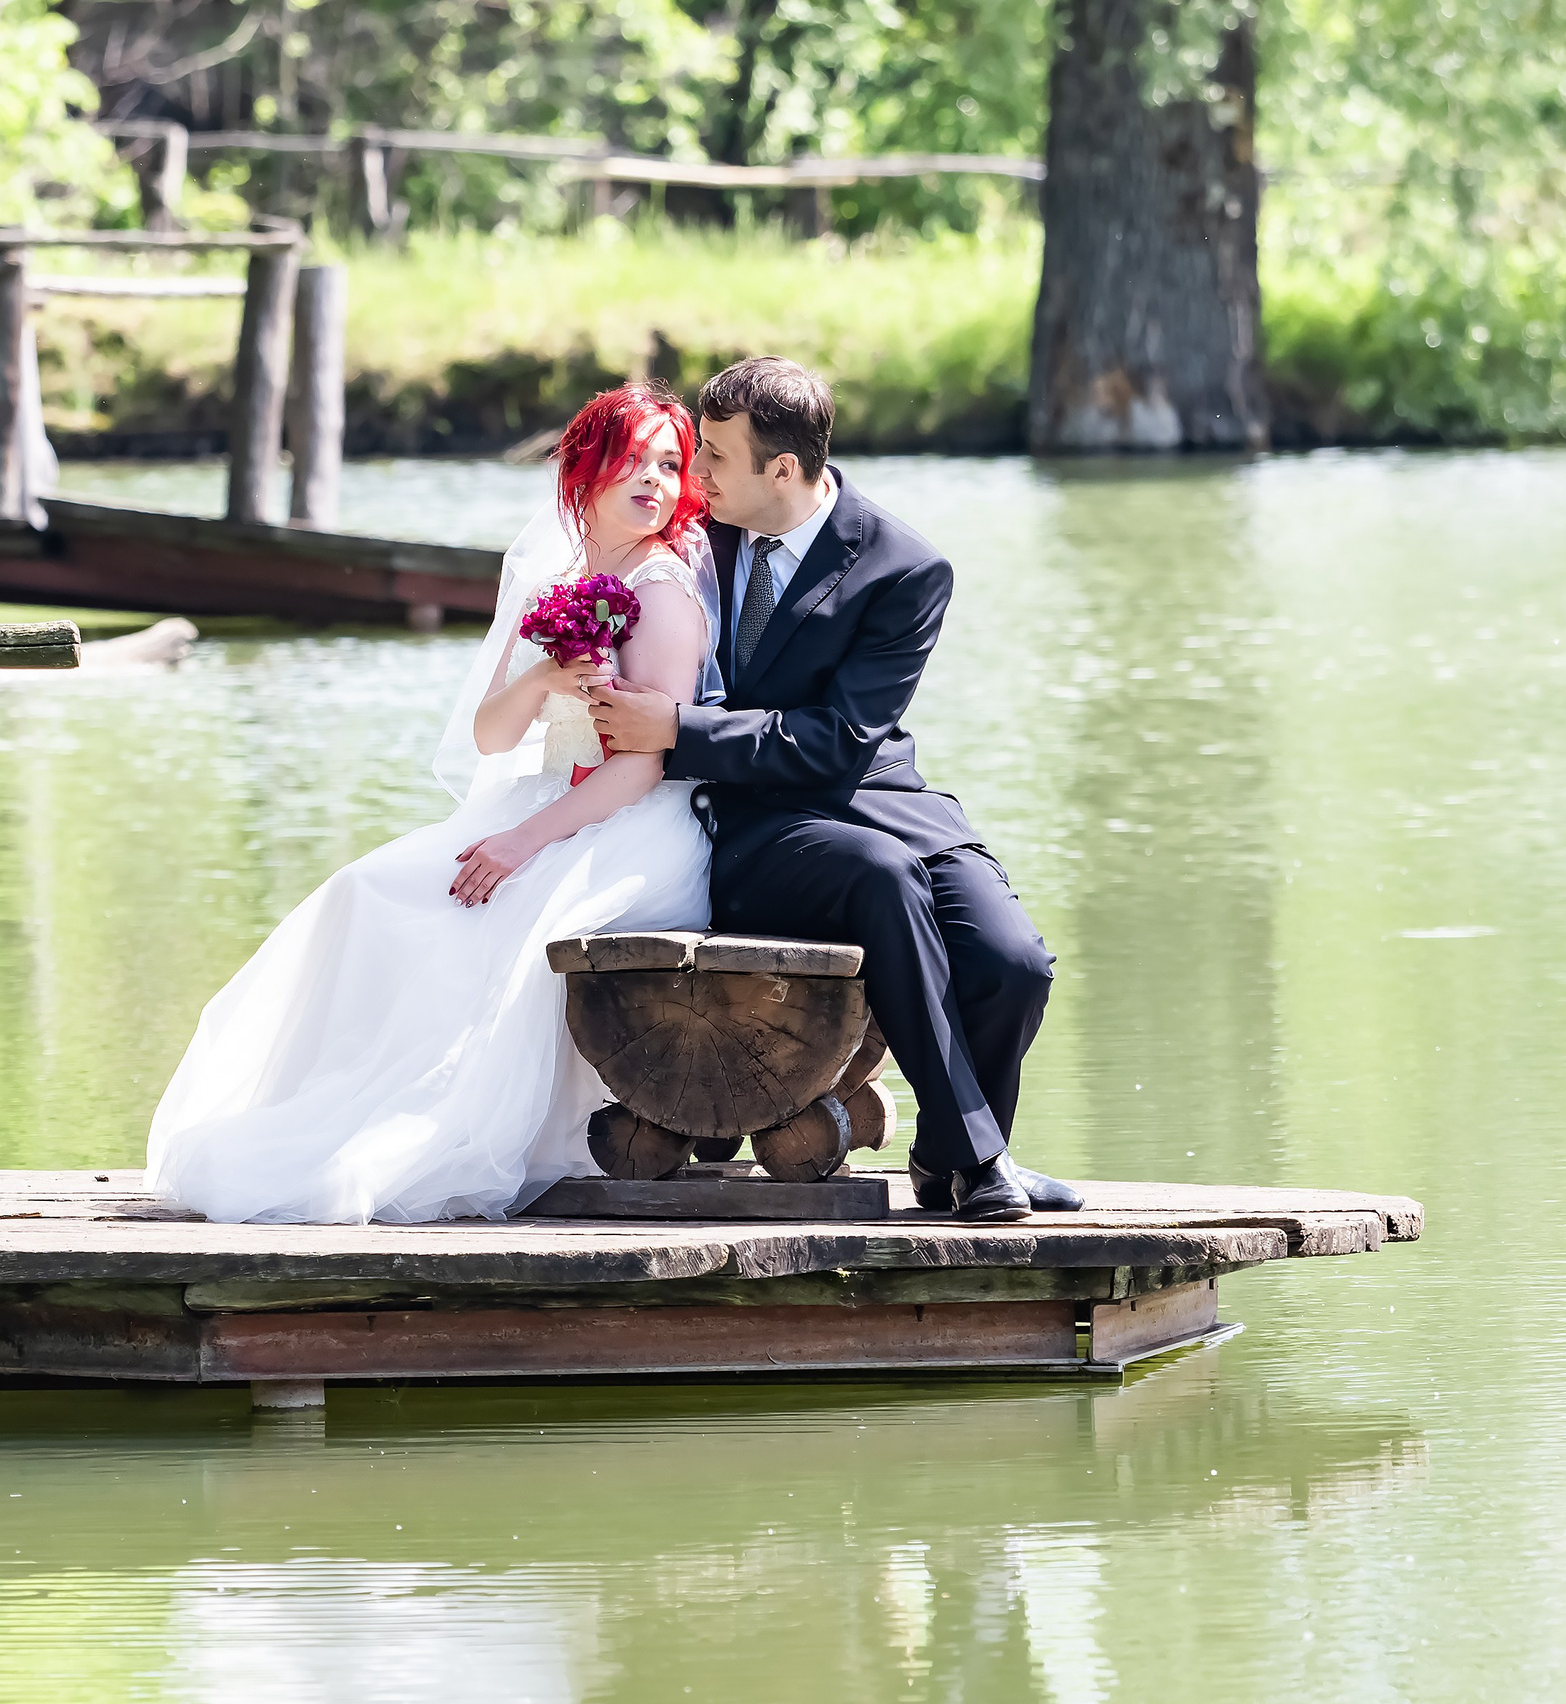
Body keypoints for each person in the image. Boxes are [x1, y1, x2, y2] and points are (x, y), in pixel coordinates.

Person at [145, 384, 717, 1224]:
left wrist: (521, 843)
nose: (655, 481)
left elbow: (645, 766)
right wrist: (544, 677)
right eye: (633, 460)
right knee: (365, 890)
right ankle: (333, 1114)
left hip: (633, 820)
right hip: (547, 793)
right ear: (584, 468)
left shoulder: (663, 592)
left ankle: (434, 1128)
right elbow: (491, 736)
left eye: (671, 465)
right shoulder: (560, 585)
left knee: (500, 918)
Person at [590, 356, 1081, 1222]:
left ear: (783, 469)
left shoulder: (905, 570)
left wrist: (676, 729)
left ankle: (947, 1156)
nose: (694, 475)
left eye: (714, 457)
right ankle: (986, 1166)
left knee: (1015, 964)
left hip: (876, 797)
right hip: (751, 821)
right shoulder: (699, 534)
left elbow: (840, 741)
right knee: (878, 879)